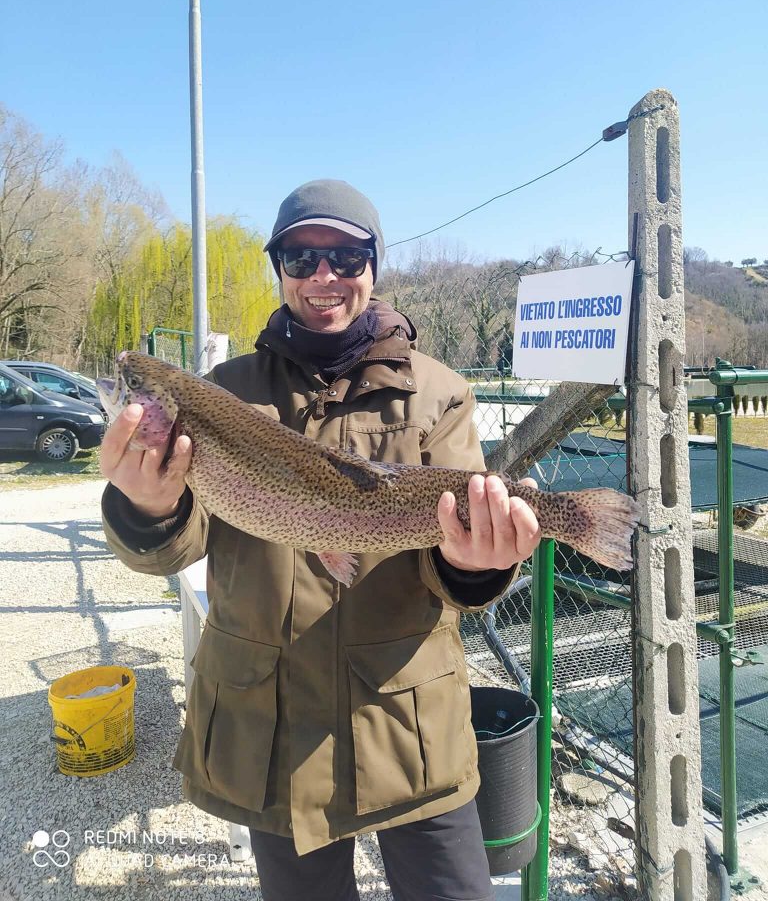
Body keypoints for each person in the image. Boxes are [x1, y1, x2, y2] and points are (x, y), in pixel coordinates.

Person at [100, 179, 541, 901]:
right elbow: (177, 548)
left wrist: (471, 566)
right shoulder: (223, 392)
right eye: (301, 258)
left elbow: (452, 566)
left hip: (410, 726)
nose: (323, 276)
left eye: (345, 255)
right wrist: (146, 508)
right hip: (270, 734)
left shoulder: (440, 393)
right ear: (279, 268)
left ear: (374, 266)